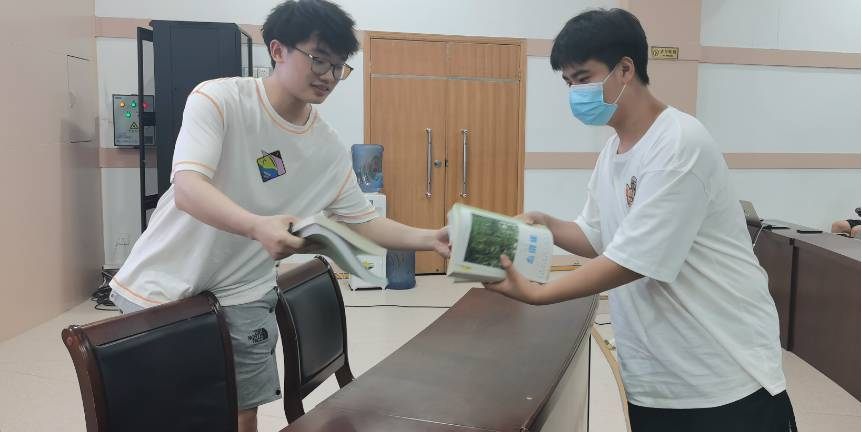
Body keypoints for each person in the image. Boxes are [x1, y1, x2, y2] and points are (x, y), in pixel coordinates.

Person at [108, 1, 448, 430]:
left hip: (245, 293)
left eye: (339, 66)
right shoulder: (219, 99)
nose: (329, 76)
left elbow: (364, 221)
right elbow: (190, 188)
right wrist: (256, 226)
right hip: (162, 286)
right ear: (277, 50)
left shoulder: (325, 147)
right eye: (319, 59)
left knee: (243, 410)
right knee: (167, 413)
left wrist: (430, 238)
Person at [484, 9, 796, 432]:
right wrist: (546, 223)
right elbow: (597, 236)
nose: (575, 93)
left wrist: (540, 294)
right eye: (568, 83)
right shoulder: (613, 151)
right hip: (655, 378)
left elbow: (634, 260)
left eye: (583, 78)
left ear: (626, 69)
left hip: (722, 377)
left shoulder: (678, 143)